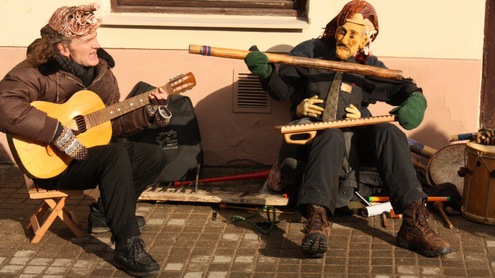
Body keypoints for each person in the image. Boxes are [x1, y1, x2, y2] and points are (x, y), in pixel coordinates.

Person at [244, 0, 452, 259]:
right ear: (337, 27)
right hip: (312, 147)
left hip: (352, 153)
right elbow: (282, 89)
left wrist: (415, 99)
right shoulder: (310, 51)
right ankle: (317, 221)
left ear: (367, 37)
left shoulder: (367, 64)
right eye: (343, 30)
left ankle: (413, 223)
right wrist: (266, 74)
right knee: (330, 134)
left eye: (355, 34)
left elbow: (401, 86)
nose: (345, 38)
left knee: (388, 132)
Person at [0, 4, 172, 277]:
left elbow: (111, 124)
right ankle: (128, 245)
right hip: (53, 164)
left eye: (96, 37)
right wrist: (56, 132)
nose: (97, 45)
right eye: (88, 41)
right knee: (114, 156)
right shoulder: (36, 70)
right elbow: (4, 105)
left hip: (89, 154)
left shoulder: (102, 72)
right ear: (62, 49)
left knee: (153, 156)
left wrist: (149, 113)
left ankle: (105, 212)